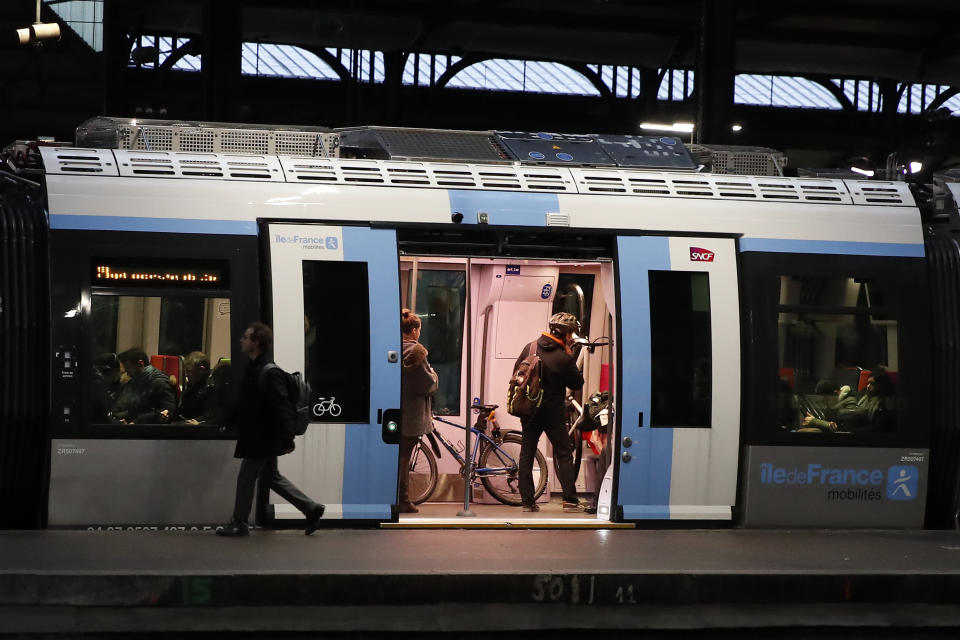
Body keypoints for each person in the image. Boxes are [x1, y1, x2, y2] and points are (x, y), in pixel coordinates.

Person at [217, 322, 325, 537]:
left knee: (247, 477)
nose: (241, 340)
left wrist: (287, 439)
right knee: (270, 477)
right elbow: (245, 401)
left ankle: (239, 523)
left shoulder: (269, 372)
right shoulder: (255, 367)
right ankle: (311, 508)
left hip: (262, 437)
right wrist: (229, 420)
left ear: (256, 343)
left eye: (246, 337)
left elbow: (281, 408)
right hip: (259, 435)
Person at [514, 312, 585, 513]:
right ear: (565, 334)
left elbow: (517, 372)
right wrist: (570, 358)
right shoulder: (563, 356)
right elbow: (577, 383)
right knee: (563, 453)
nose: (571, 337)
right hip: (553, 413)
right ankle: (570, 500)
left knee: (526, 454)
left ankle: (527, 501)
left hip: (529, 410)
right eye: (571, 333)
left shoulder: (531, 347)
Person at [398, 309, 438, 514]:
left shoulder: (393, 350)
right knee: (404, 458)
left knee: (397, 457)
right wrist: (435, 377)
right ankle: (403, 500)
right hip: (412, 416)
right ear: (413, 330)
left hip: (394, 412)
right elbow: (427, 384)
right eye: (419, 329)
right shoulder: (417, 352)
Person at [108, 348, 177, 424]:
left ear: (140, 363)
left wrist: (137, 421)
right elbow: (125, 405)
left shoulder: (159, 382)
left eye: (128, 367)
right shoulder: (134, 381)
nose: (127, 372)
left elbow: (167, 410)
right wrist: (114, 415)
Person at [177, 351, 216, 424]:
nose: (186, 375)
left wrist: (198, 422)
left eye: (189, 371)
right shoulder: (192, 387)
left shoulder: (211, 389)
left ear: (201, 370)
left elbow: (210, 416)